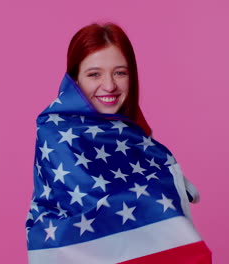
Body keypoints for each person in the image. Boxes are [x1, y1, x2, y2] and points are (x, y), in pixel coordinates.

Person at [26, 22, 212, 263]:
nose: (110, 85)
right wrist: (160, 187)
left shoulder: (132, 135)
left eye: (120, 72)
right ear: (74, 80)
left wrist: (166, 184)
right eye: (94, 74)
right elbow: (93, 201)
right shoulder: (55, 130)